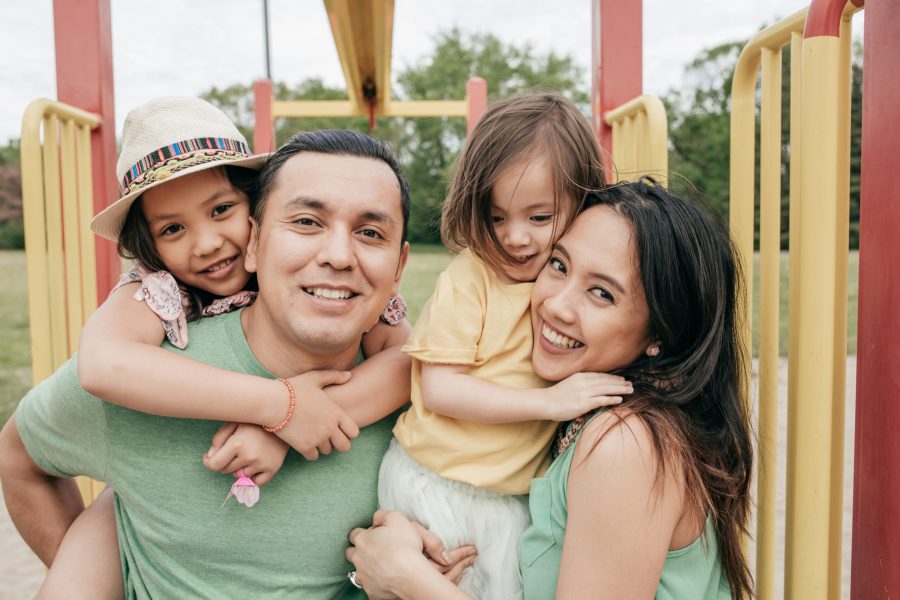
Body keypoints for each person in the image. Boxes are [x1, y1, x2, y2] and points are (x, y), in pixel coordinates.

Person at [0, 127, 432, 598]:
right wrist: (98, 578)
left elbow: (416, 366)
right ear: (255, 241)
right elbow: (22, 453)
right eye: (307, 222)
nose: (338, 255)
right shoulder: (148, 371)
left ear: (399, 268)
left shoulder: (432, 393)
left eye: (370, 233)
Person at [347, 179, 755, 599]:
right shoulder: (590, 409)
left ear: (661, 334)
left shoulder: (625, 443)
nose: (556, 305)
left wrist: (407, 579)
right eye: (559, 265)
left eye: (601, 293)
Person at [377, 92, 630, 600]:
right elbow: (442, 388)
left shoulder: (562, 284)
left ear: (582, 202)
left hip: (507, 498)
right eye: (498, 218)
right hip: (439, 484)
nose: (515, 238)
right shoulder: (473, 278)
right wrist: (549, 403)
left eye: (540, 218)